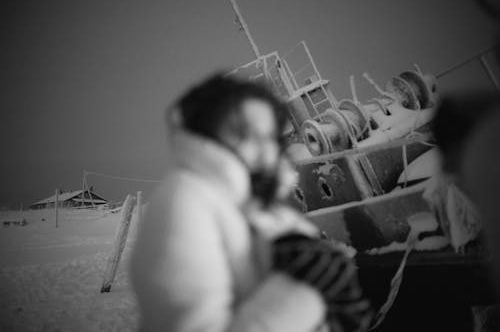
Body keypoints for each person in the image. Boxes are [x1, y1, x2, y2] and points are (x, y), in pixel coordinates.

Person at [130, 73, 370, 332]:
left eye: (267, 136)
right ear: (205, 133)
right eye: (243, 133)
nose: (263, 150)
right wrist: (302, 290)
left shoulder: (244, 204)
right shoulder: (185, 204)